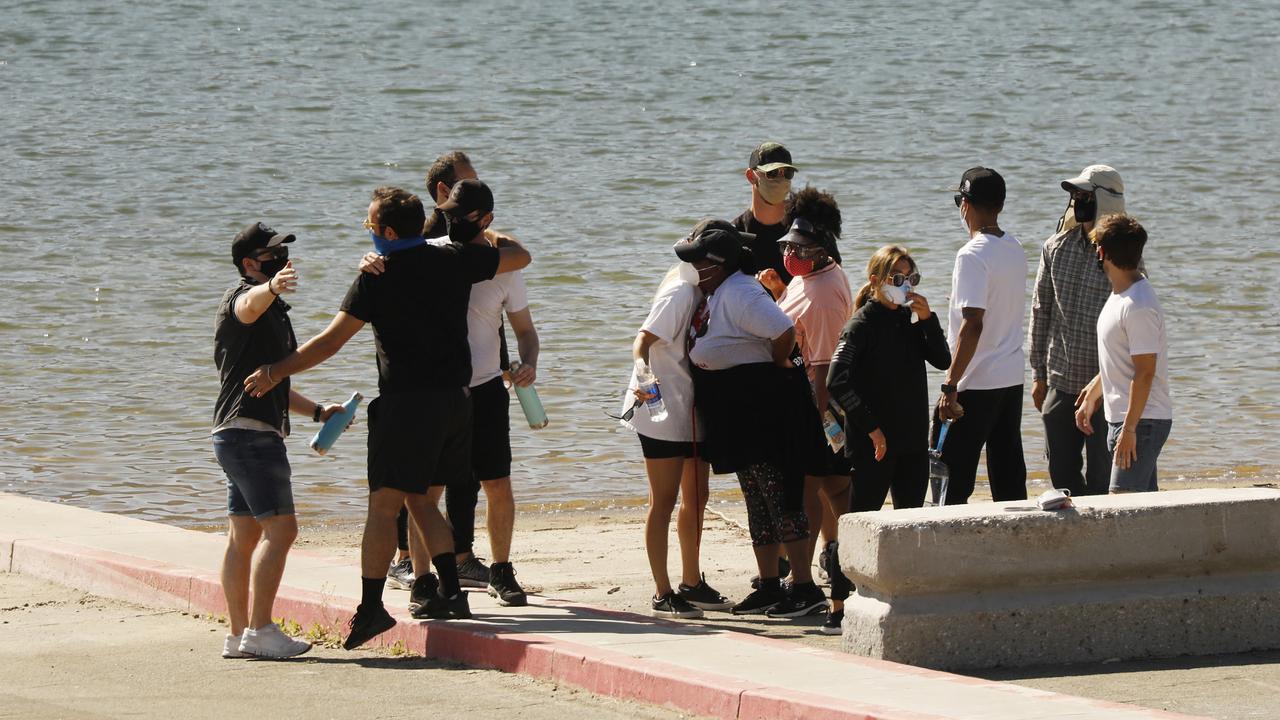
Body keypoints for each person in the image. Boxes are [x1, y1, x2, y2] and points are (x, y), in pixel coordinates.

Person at [243, 185, 531, 650]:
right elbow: (521, 255)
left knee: (383, 505)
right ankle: (451, 594)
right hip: (458, 404)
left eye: (370, 227)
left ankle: (372, 608)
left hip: (408, 404)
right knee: (421, 501)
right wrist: (475, 231)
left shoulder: (377, 276)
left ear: (388, 232)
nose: (368, 234)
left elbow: (330, 342)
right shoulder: (455, 259)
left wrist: (277, 371)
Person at [678, 219, 827, 619]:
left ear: (717, 264)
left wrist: (777, 363)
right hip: (737, 409)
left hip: (764, 409)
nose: (693, 270)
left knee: (782, 498)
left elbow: (784, 331)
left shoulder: (741, 292)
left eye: (698, 262)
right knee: (757, 500)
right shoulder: (719, 290)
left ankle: (804, 587)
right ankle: (768, 585)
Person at [213, 222, 345, 659]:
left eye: (281, 254)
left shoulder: (272, 310)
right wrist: (268, 286)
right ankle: (260, 630)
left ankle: (237, 636)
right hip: (249, 436)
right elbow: (246, 306)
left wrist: (318, 412)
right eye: (269, 256)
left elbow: (272, 384)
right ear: (250, 264)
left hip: (236, 434)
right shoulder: (244, 299)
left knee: (243, 535)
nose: (281, 261)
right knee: (282, 529)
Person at [826, 245, 951, 632]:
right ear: (877, 281)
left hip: (912, 440)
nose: (905, 285)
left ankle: (903, 597)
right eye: (898, 278)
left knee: (909, 520)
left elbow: (943, 360)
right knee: (859, 518)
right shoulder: (861, 324)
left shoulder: (911, 322)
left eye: (911, 278)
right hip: (874, 444)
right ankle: (837, 602)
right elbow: (836, 381)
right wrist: (871, 427)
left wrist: (928, 319)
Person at [756, 187, 854, 629]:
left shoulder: (824, 292)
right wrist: (779, 292)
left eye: (799, 249)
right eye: (788, 247)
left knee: (819, 490)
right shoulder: (806, 279)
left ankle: (809, 582)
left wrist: (819, 418)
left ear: (820, 251)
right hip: (802, 400)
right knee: (829, 489)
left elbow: (824, 365)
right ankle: (837, 566)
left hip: (817, 403)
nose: (791, 254)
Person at [622, 264, 729, 619]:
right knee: (664, 500)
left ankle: (691, 583)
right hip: (659, 409)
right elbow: (642, 340)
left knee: (697, 495)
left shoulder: (708, 290)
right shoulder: (680, 291)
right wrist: (643, 372)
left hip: (690, 408)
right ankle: (662, 591)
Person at [1029, 165, 1126, 497]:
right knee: (1061, 474)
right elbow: (1041, 311)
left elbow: (1132, 322)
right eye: (1075, 195)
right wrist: (1039, 374)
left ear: (1105, 200)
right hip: (1062, 379)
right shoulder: (1055, 248)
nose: (1077, 200)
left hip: (1107, 385)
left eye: (1085, 195)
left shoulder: (1123, 255)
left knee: (1103, 478)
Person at [936, 167, 1028, 504]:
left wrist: (950, 386)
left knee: (950, 477)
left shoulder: (970, 254)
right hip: (1010, 376)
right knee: (1007, 473)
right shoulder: (1014, 247)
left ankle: (944, 547)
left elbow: (973, 324)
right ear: (1000, 206)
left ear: (965, 206)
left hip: (975, 380)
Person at [1074, 215, 1171, 493]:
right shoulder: (1121, 294)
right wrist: (1093, 393)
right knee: (1142, 510)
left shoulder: (1138, 304)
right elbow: (1122, 359)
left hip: (1142, 421)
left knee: (1121, 504)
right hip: (1131, 419)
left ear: (1101, 252)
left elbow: (1145, 371)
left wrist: (1129, 430)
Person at [733, 141, 797, 293]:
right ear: (751, 176)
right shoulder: (736, 234)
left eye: (787, 173)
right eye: (772, 173)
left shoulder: (806, 227)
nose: (780, 180)